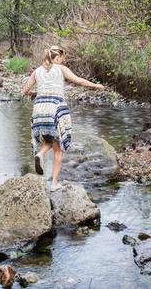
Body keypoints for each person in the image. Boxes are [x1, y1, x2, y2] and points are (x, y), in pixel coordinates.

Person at [23, 46, 105, 192]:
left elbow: (25, 90)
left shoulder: (37, 71)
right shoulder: (61, 69)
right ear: (58, 57)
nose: (63, 60)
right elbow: (78, 80)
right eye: (63, 57)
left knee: (50, 139)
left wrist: (36, 93)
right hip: (56, 109)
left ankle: (40, 154)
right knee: (58, 147)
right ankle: (54, 183)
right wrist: (96, 85)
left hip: (39, 109)